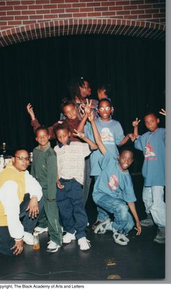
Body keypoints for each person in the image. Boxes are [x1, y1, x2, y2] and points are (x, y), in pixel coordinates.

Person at [77, 98, 135, 231]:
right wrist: (86, 115)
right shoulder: (93, 122)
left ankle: (115, 214)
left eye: (107, 108)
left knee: (113, 188)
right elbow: (79, 131)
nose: (104, 110)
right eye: (101, 108)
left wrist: (129, 135)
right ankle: (102, 217)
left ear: (112, 110)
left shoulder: (116, 124)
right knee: (101, 190)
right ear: (97, 110)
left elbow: (119, 142)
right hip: (98, 161)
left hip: (112, 162)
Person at [0, 149, 43, 256]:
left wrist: (34, 198)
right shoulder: (10, 181)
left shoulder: (22, 172)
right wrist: (18, 237)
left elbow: (35, 185)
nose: (24, 161)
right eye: (20, 158)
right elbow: (12, 211)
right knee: (13, 249)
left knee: (38, 199)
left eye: (26, 158)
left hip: (4, 214)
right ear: (13, 159)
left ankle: (26, 231)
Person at [88, 111, 141, 245]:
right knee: (122, 209)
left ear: (132, 162)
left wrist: (137, 222)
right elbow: (99, 141)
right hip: (100, 195)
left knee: (128, 225)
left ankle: (109, 226)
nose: (126, 161)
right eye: (123, 158)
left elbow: (131, 202)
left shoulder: (127, 178)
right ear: (118, 157)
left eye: (129, 160)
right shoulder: (110, 160)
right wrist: (93, 121)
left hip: (115, 200)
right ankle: (116, 231)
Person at [26, 101, 93, 206]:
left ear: (76, 109)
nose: (71, 114)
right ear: (64, 114)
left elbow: (82, 133)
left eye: (72, 110)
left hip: (80, 157)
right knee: (64, 193)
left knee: (82, 187)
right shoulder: (61, 123)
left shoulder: (85, 121)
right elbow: (44, 133)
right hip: (64, 160)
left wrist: (86, 116)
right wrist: (33, 118)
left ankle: (81, 215)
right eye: (68, 112)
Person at [54, 124, 95, 251]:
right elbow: (56, 166)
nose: (62, 138)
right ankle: (70, 231)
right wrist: (56, 180)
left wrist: (84, 137)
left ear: (70, 134)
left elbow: (94, 146)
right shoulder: (56, 149)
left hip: (75, 182)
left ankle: (81, 235)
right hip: (62, 183)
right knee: (64, 208)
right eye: (59, 136)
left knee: (78, 208)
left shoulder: (79, 146)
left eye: (64, 135)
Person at [133, 111, 165, 244]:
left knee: (157, 202)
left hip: (159, 175)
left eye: (152, 121)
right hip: (148, 174)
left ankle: (164, 227)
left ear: (157, 120)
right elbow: (136, 141)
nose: (149, 124)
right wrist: (135, 127)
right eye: (146, 122)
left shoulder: (163, 132)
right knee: (146, 198)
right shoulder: (145, 136)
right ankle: (151, 217)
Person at [31, 126, 62, 253]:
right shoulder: (36, 150)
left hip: (48, 188)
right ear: (36, 139)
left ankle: (56, 239)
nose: (43, 138)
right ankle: (44, 225)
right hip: (38, 187)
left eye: (45, 136)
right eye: (40, 136)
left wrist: (51, 194)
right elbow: (33, 169)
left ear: (49, 137)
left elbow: (52, 176)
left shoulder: (51, 154)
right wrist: (32, 186)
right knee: (40, 208)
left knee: (51, 212)